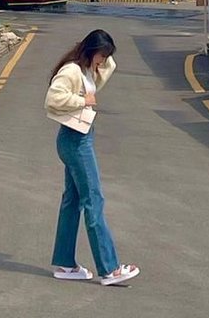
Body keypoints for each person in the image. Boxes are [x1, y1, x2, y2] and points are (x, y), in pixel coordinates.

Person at [45, 29, 139, 287]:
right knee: (93, 199)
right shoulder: (73, 71)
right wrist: (81, 100)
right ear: (90, 51)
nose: (103, 60)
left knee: (73, 200)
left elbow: (110, 66)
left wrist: (101, 56)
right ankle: (109, 268)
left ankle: (65, 263)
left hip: (76, 137)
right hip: (75, 141)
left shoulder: (88, 70)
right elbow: (53, 98)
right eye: (101, 54)